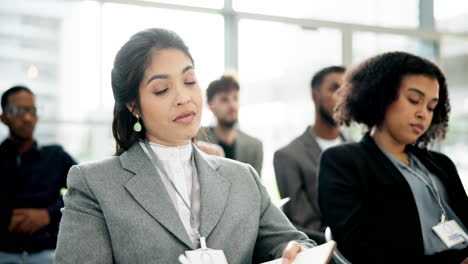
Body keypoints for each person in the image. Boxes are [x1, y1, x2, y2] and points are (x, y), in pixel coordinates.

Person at [54, 28, 315, 264]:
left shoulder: (242, 177)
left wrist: (295, 251)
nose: (183, 97)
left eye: (189, 81)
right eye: (161, 89)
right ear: (134, 106)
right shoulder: (94, 184)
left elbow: (295, 244)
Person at [318, 51, 468, 263]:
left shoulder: (440, 163)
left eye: (431, 107)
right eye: (414, 100)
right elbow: (360, 249)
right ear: (381, 96)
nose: (423, 113)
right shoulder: (343, 161)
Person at [0, 86, 76, 263]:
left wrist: (49, 214)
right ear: (4, 118)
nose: (27, 118)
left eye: (32, 110)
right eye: (19, 111)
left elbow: (87, 192)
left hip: (49, 251)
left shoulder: (56, 156)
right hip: (4, 252)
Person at [274, 66, 346, 244]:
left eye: (347, 91)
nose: (342, 97)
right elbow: (302, 225)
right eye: (335, 89)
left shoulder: (359, 151)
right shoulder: (289, 156)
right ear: (315, 96)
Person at [199, 75, 263, 175]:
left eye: (235, 98)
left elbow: (255, 189)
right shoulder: (198, 140)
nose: (232, 105)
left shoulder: (254, 147)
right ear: (211, 107)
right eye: (224, 99)